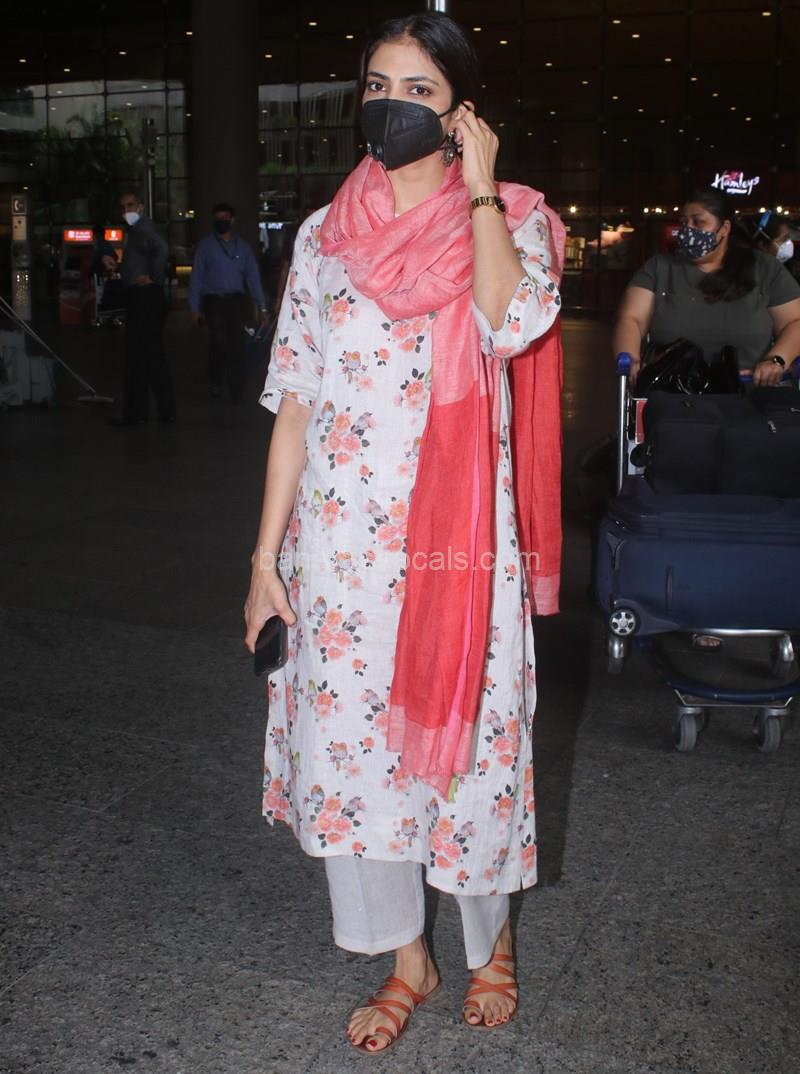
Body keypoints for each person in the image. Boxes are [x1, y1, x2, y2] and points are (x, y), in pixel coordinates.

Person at [243, 12, 564, 1054]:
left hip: (455, 550)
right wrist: (264, 563)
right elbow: (295, 401)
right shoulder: (321, 237)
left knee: (467, 754)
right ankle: (405, 957)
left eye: (418, 89)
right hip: (339, 553)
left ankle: (490, 943)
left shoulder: (512, 220)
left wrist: (480, 189)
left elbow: (514, 321)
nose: (390, 105)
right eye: (376, 84)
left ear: (461, 109)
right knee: (358, 762)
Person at [614, 188, 800, 386]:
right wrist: (630, 357)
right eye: (684, 222)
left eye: (698, 222)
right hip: (671, 390)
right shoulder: (659, 268)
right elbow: (632, 318)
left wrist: (776, 360)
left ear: (725, 228)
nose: (688, 230)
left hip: (751, 390)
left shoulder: (765, 269)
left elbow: (794, 322)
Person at [105, 191, 175, 425]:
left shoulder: (143, 229)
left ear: (141, 207)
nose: (126, 210)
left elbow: (162, 249)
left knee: (142, 355)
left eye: (130, 205)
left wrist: (153, 277)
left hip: (145, 296)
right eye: (123, 207)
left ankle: (140, 412)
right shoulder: (137, 231)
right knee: (149, 354)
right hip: (144, 296)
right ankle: (155, 411)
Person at [189, 202, 269, 401]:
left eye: (225, 218)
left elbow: (252, 277)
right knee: (218, 341)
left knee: (237, 344)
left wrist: (262, 306)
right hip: (214, 300)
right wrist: (194, 308)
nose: (221, 221)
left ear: (232, 220)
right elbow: (197, 276)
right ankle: (216, 381)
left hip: (236, 301)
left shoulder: (243, 247)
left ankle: (236, 387)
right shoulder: (206, 246)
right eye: (218, 218)